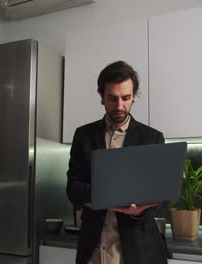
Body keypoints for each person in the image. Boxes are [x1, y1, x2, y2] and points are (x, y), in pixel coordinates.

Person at [66, 61, 169, 264]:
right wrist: (109, 194)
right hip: (93, 252)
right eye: (112, 98)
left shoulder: (152, 138)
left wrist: (141, 211)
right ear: (101, 96)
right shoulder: (83, 136)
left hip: (138, 252)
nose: (120, 106)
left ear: (134, 95)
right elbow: (73, 190)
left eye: (126, 98)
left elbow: (162, 198)